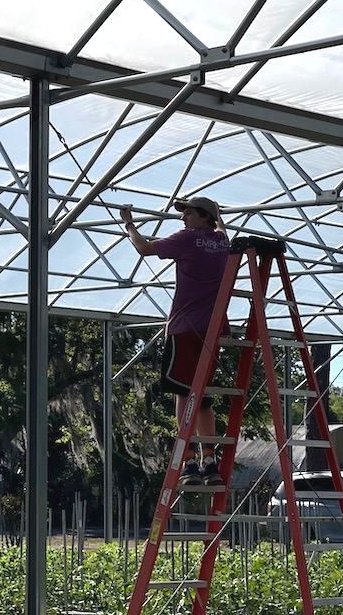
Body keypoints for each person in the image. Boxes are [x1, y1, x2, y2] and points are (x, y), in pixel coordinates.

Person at [120, 197, 229, 486]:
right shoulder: (221, 242)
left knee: (183, 392)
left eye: (189, 214)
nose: (183, 219)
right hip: (213, 329)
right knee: (203, 396)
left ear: (204, 218)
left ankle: (189, 460)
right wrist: (218, 216)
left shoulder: (188, 238)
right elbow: (222, 228)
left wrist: (129, 225)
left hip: (184, 327)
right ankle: (209, 459)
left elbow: (144, 248)